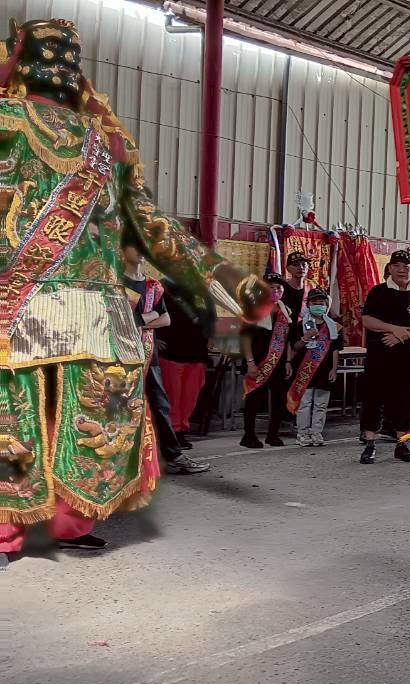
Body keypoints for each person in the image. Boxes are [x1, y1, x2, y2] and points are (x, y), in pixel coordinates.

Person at [0, 16, 268, 556]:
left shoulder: (14, 121)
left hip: (26, 301)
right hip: (91, 311)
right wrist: (226, 281)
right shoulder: (104, 142)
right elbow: (153, 228)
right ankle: (57, 526)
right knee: (79, 420)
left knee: (24, 416)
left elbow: (147, 226)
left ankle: (17, 528)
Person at [122, 244, 211, 475]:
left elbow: (165, 319)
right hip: (121, 355)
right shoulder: (115, 283)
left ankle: (173, 455)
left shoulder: (153, 286)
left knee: (160, 405)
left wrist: (141, 319)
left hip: (148, 355)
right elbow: (122, 320)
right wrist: (150, 316)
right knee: (122, 406)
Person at [359, 250, 410, 464]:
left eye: (406, 266)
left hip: (407, 356)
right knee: (373, 398)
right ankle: (370, 444)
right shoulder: (378, 292)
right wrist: (395, 329)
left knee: (405, 400)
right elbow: (367, 320)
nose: (402, 270)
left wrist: (400, 336)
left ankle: (402, 444)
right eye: (397, 266)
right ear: (390, 268)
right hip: (379, 354)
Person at [241, 272, 295, 449]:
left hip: (279, 362)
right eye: (270, 287)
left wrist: (288, 361)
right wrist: (250, 362)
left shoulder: (286, 310)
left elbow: (287, 339)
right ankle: (249, 435)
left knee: (279, 400)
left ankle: (273, 435)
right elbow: (245, 338)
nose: (275, 291)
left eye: (279, 287)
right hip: (257, 362)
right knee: (254, 398)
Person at [156, 279, 212, 450]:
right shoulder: (163, 288)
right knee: (172, 397)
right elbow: (150, 313)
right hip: (171, 352)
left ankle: (181, 429)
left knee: (189, 399)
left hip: (197, 354)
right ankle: (174, 433)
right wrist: (154, 338)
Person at [289, 289, 343, 447]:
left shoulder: (333, 326)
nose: (318, 305)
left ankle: (316, 432)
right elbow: (295, 347)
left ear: (326, 305)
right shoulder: (301, 325)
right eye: (314, 303)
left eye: (321, 303)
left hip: (325, 370)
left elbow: (335, 349)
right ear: (308, 305)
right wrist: (305, 338)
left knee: (321, 404)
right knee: (305, 403)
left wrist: (334, 369)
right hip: (305, 369)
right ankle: (302, 433)